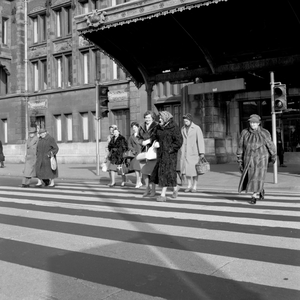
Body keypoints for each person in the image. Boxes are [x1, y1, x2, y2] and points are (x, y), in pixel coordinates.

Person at [237, 114, 276, 204]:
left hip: (261, 158)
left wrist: (273, 155)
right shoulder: (244, 133)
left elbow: (270, 145)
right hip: (249, 158)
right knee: (252, 177)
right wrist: (239, 159)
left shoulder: (264, 133)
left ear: (259, 123)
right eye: (251, 122)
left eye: (254, 123)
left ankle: (254, 196)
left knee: (257, 176)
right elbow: (240, 146)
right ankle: (260, 190)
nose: (252, 124)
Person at [150, 111, 183, 202]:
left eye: (161, 118)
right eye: (159, 117)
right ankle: (175, 188)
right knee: (168, 173)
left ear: (166, 118)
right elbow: (154, 136)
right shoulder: (158, 127)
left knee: (165, 172)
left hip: (170, 155)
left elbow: (179, 141)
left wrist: (170, 149)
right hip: (160, 154)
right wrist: (155, 141)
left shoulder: (174, 127)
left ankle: (163, 195)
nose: (159, 119)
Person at [180, 113, 205, 192]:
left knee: (194, 171)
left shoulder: (197, 128)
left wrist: (201, 153)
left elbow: (200, 140)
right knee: (186, 170)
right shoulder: (182, 128)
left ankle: (194, 186)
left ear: (190, 121)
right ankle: (189, 185)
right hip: (185, 152)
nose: (185, 122)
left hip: (194, 152)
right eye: (184, 121)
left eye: (186, 121)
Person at [137, 110, 159, 197]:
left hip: (152, 151)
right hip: (143, 151)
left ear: (153, 118)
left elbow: (159, 136)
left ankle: (153, 190)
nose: (147, 119)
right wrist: (142, 142)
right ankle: (147, 188)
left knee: (151, 172)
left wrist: (150, 140)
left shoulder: (156, 125)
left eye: (149, 117)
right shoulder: (141, 126)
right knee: (144, 172)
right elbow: (138, 137)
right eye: (146, 118)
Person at [127, 121, 143, 188]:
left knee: (141, 169)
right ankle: (137, 182)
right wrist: (132, 150)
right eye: (133, 127)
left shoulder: (141, 135)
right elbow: (129, 145)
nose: (134, 128)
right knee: (136, 168)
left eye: (135, 127)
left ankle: (140, 181)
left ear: (138, 127)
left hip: (142, 153)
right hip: (135, 154)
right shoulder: (131, 137)